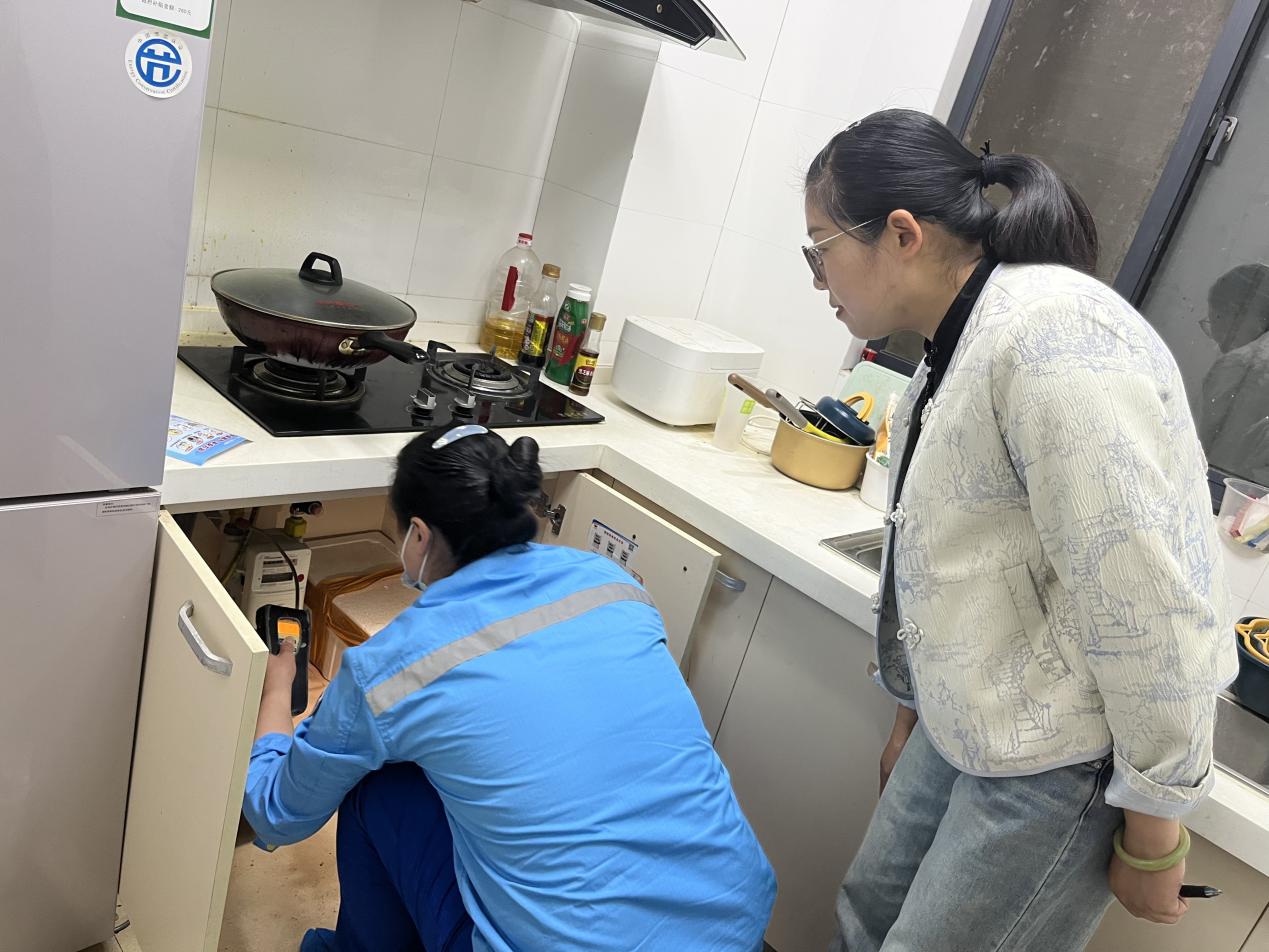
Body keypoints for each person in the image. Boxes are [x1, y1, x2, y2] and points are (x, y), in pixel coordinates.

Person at [801, 109, 1238, 952]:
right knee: (862, 919)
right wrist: (912, 712)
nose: (818, 279)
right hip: (973, 721)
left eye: (820, 249)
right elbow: (955, 557)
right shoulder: (962, 336)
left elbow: (1144, 597)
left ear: (901, 234)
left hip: (1060, 757)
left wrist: (1155, 831)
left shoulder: (1054, 338)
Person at [243, 423, 775, 952]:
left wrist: (274, 691)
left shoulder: (394, 670)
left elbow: (277, 813)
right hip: (734, 926)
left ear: (419, 535)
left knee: (378, 785)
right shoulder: (612, 584)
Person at [1200, 263, 1269, 485]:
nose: (1219, 343)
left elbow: (1217, 465)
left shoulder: (1239, 367)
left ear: (1235, 314)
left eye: (1214, 321)